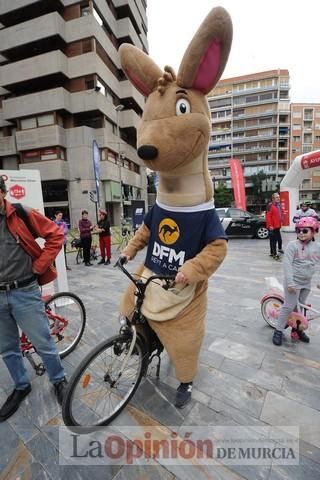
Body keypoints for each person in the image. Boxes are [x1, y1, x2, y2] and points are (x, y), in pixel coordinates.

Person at [0, 177, 68, 422]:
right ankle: (21, 385)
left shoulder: (20, 213)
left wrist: (39, 266)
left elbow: (56, 235)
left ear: (3, 192)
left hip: (24, 291)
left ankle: (59, 380)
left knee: (43, 342)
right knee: (7, 347)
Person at [272, 216, 320, 346]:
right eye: (298, 230)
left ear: (314, 231)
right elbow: (287, 265)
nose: (301, 233)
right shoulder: (293, 246)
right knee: (288, 306)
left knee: (301, 307)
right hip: (293, 282)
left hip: (306, 283)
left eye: (305, 231)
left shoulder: (317, 247)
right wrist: (291, 283)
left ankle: (297, 330)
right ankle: (278, 331)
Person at [266, 192, 284, 260]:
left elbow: (280, 214)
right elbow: (268, 216)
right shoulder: (270, 205)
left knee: (278, 239)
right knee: (273, 241)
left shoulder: (278, 205)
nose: (278, 198)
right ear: (273, 199)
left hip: (277, 226)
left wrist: (282, 221)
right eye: (277, 197)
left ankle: (272, 252)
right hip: (272, 227)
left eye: (279, 197)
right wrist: (270, 225)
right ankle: (274, 254)